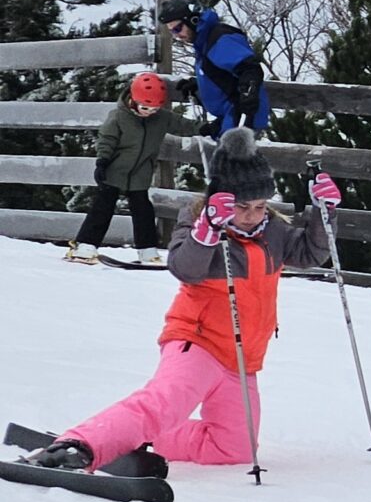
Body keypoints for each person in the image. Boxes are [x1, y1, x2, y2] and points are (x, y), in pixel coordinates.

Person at [25, 130, 334, 471]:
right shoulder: (197, 219)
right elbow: (185, 268)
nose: (252, 215)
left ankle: (140, 437)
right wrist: (208, 232)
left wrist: (324, 213)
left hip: (242, 360)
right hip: (196, 342)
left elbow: (310, 252)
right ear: (222, 199)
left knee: (235, 449)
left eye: (260, 206)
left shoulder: (272, 231)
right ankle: (80, 445)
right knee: (163, 404)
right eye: (242, 206)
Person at [67, 72, 173, 265]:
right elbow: (107, 140)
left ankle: (147, 250)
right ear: (133, 100)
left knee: (143, 212)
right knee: (102, 208)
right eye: (145, 108)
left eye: (154, 109)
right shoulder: (118, 117)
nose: (149, 112)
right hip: (115, 170)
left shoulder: (161, 118)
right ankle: (85, 246)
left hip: (140, 173)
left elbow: (183, 124)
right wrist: (102, 162)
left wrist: (206, 128)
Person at [157, 0, 269, 131]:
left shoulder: (220, 39)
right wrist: (199, 85)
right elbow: (223, 76)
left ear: (193, 20)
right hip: (228, 119)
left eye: (177, 29)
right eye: (171, 32)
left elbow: (250, 69)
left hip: (241, 121)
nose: (176, 36)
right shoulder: (203, 43)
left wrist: (248, 99)